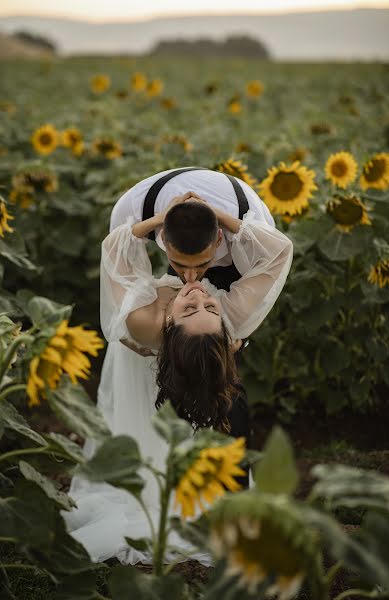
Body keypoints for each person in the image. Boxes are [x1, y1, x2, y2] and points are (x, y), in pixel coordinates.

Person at [63, 167, 293, 567]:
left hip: (167, 350)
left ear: (169, 325)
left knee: (203, 402)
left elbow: (116, 254)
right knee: (213, 398)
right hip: (192, 347)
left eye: (194, 306)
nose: (196, 288)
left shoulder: (143, 320)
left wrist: (162, 219)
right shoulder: (227, 317)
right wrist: (202, 217)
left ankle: (214, 480)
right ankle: (211, 484)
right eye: (208, 306)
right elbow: (278, 253)